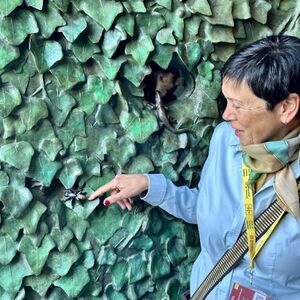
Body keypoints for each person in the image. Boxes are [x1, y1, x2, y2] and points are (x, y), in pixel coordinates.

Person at [88, 35, 300, 299]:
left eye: (237, 105)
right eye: (226, 101)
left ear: (287, 107)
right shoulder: (227, 138)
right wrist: (150, 185)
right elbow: (208, 208)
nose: (226, 115)